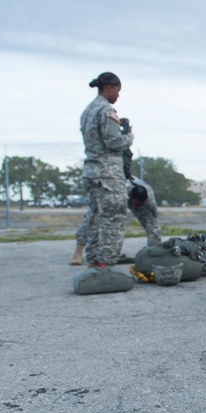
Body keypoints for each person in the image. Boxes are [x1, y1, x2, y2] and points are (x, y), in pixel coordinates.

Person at [80, 72, 134, 268]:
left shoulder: (88, 111)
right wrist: (129, 136)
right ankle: (106, 265)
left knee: (96, 217)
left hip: (92, 172)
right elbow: (113, 141)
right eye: (117, 91)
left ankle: (94, 261)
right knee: (113, 218)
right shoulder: (106, 110)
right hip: (108, 174)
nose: (118, 96)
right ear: (109, 87)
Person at [71, 149, 161, 264]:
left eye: (140, 204)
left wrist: (156, 245)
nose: (137, 206)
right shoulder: (119, 189)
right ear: (131, 198)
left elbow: (153, 221)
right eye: (136, 204)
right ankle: (79, 251)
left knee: (152, 225)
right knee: (92, 219)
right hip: (113, 195)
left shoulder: (148, 198)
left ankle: (154, 252)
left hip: (132, 197)